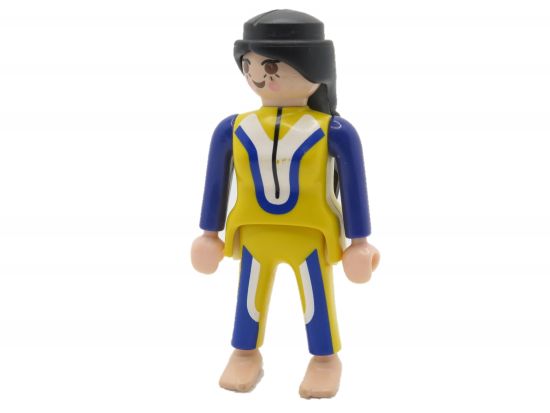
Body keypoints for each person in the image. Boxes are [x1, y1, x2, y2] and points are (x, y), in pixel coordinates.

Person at [191, 9, 380, 398]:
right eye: (249, 64)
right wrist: (209, 233)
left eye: (272, 66)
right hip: (253, 231)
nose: (259, 75)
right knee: (249, 294)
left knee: (316, 297)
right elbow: (216, 183)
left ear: (312, 67)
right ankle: (245, 352)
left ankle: (324, 359)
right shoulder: (233, 128)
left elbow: (354, 188)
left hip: (310, 234)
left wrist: (359, 242)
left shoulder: (334, 131)